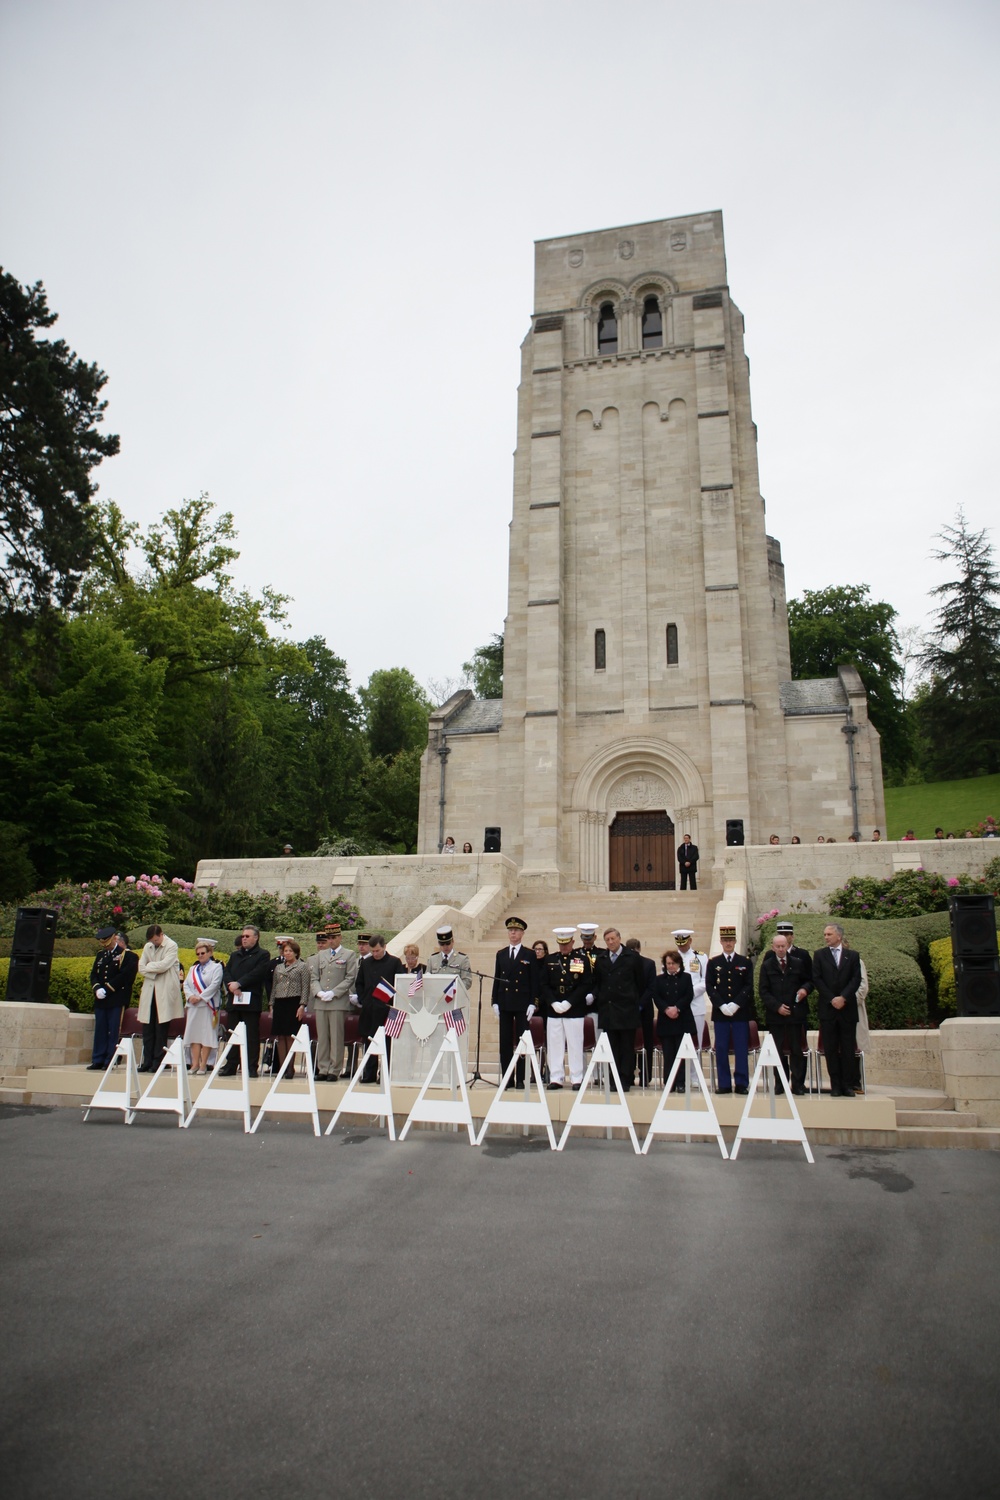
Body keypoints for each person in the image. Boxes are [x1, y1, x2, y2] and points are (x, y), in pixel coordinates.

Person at [813, 922, 862, 1097]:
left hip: (847, 1010)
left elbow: (856, 980)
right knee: (831, 1049)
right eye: (825, 934)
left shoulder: (853, 956)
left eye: (829, 934)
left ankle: (848, 1085)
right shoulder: (819, 955)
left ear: (839, 936)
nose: (826, 937)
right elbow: (817, 979)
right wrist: (832, 998)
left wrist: (843, 997)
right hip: (828, 1010)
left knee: (848, 1048)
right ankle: (835, 1085)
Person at [757, 934, 811, 1095]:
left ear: (788, 945)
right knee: (778, 1051)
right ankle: (780, 1083)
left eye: (783, 946)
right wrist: (777, 1007)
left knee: (796, 1050)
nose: (781, 949)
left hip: (795, 1015)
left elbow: (808, 981)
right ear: (773, 947)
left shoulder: (797, 963)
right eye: (778, 946)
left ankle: (798, 1084)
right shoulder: (767, 966)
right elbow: (763, 991)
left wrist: (804, 990)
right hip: (776, 1016)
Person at [303, 924, 358, 1080]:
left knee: (336, 1037)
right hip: (321, 1002)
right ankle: (323, 1068)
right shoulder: (321, 955)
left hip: (337, 1001)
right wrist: (318, 991)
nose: (331, 941)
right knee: (323, 1037)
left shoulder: (348, 954)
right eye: (329, 938)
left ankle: (334, 1069)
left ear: (340, 937)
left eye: (334, 938)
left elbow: (349, 978)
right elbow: (314, 977)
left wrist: (334, 992)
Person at [537, 928, 589, 1090]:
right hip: (554, 1008)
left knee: (575, 1044)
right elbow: (544, 984)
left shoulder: (581, 959)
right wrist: (552, 1002)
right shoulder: (550, 959)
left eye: (566, 944)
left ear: (572, 942)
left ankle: (576, 1077)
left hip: (574, 1009)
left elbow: (585, 984)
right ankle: (556, 1077)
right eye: (561, 944)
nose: (564, 947)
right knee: (555, 1044)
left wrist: (569, 1002)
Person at [705, 926, 754, 1094]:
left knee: (741, 1048)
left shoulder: (744, 962)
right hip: (721, 1013)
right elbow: (710, 986)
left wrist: (736, 1004)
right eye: (725, 940)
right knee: (721, 1048)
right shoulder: (714, 962)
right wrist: (721, 1005)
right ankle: (724, 1083)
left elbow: (748, 986)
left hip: (739, 1012)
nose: (728, 943)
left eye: (730, 940)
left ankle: (741, 1083)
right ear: (720, 942)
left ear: (735, 941)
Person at [593, 928, 644, 1090]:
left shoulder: (632, 957)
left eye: (613, 938)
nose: (610, 942)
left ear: (619, 938)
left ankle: (625, 1079)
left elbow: (640, 982)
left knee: (626, 1047)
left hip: (627, 1010)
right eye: (607, 939)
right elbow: (598, 982)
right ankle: (613, 1078)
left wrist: (635, 1002)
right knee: (612, 1047)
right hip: (608, 1010)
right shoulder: (601, 959)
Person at [220, 925, 272, 1077]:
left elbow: (257, 973)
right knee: (232, 1034)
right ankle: (231, 1064)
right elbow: (227, 971)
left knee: (251, 1035)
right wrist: (231, 984)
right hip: (235, 1000)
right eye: (243, 936)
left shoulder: (263, 955)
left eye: (247, 936)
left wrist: (240, 983)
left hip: (250, 1001)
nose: (244, 939)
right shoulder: (235, 955)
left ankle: (250, 1066)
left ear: (256, 938)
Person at [492, 916, 536, 1089]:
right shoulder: (501, 954)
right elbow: (497, 978)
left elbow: (534, 981)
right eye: (510, 930)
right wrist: (494, 1001)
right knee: (505, 1043)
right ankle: (507, 1077)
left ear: (522, 933)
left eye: (516, 930)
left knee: (522, 1042)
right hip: (505, 1002)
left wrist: (533, 1002)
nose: (513, 933)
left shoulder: (529, 954)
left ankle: (521, 1079)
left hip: (522, 1003)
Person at [88, 926, 138, 1070]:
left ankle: (111, 1059)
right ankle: (98, 1058)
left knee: (114, 1030)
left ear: (115, 938)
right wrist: (97, 988)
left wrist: (107, 989)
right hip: (101, 999)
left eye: (108, 943)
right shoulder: (100, 955)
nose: (106, 947)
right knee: (100, 1029)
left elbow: (125, 977)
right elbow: (94, 974)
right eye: (103, 944)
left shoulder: (128, 956)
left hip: (116, 998)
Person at [357, 935, 405, 1083]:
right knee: (369, 1041)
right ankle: (369, 1073)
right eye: (373, 951)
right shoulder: (366, 963)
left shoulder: (394, 962)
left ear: (384, 947)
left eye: (377, 950)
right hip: (369, 1008)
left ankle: (384, 1073)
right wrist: (363, 998)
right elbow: (359, 983)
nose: (375, 954)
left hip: (386, 1010)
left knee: (387, 1043)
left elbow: (401, 984)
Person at [137, 925, 184, 1072]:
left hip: (164, 990)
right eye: (152, 940)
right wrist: (153, 971)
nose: (155, 943)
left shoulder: (171, 945)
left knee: (160, 1028)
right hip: (150, 991)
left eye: (156, 940)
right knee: (148, 1028)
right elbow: (141, 967)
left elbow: (164, 966)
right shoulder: (148, 946)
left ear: (161, 935)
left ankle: (158, 1061)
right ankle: (147, 1061)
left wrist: (149, 967)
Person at [648, 949, 696, 1092]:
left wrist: (677, 1008)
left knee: (681, 1053)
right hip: (666, 1021)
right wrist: (666, 1009)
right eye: (668, 963)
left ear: (679, 963)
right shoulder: (659, 979)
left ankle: (681, 1082)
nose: (671, 966)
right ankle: (669, 1082)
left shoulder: (686, 978)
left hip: (682, 1020)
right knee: (669, 1053)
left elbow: (688, 995)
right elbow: (656, 997)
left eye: (673, 963)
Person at [182, 938, 224, 1074]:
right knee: (194, 1035)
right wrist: (190, 996)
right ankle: (194, 1064)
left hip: (208, 1005)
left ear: (210, 953)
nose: (200, 956)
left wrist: (200, 997)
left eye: (203, 953)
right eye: (198, 953)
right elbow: (186, 984)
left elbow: (215, 985)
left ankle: (204, 1064)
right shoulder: (193, 968)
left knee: (206, 1035)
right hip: (193, 1006)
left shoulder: (216, 967)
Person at [269, 940, 310, 1071]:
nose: (287, 953)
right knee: (280, 1035)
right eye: (285, 951)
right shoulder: (279, 967)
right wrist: (271, 1004)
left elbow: (305, 987)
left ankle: (290, 1067)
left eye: (290, 951)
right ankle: (282, 1066)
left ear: (296, 953)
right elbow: (274, 986)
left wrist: (302, 1005)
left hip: (294, 1002)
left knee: (290, 1035)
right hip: (280, 1001)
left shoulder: (302, 966)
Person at [625, 937, 656, 1085]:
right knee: (646, 1043)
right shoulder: (649, 963)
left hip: (629, 1008)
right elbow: (651, 988)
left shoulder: (624, 962)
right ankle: (645, 1076)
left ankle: (629, 1076)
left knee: (628, 1043)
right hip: (643, 1008)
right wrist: (640, 1005)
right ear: (639, 948)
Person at [672, 929, 710, 1047]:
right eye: (679, 944)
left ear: (690, 941)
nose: (681, 947)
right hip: (677, 1005)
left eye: (684, 944)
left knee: (695, 1043)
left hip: (695, 1004)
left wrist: (689, 993)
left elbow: (705, 981)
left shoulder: (701, 957)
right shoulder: (671, 958)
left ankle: (695, 1066)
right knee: (678, 1043)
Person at [427, 926, 473, 992]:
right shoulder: (432, 959)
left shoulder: (462, 959)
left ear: (453, 941)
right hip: (436, 998)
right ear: (438, 944)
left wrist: (453, 991)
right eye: (442, 944)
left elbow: (467, 981)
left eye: (448, 943)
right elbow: (427, 979)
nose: (445, 947)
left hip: (454, 997)